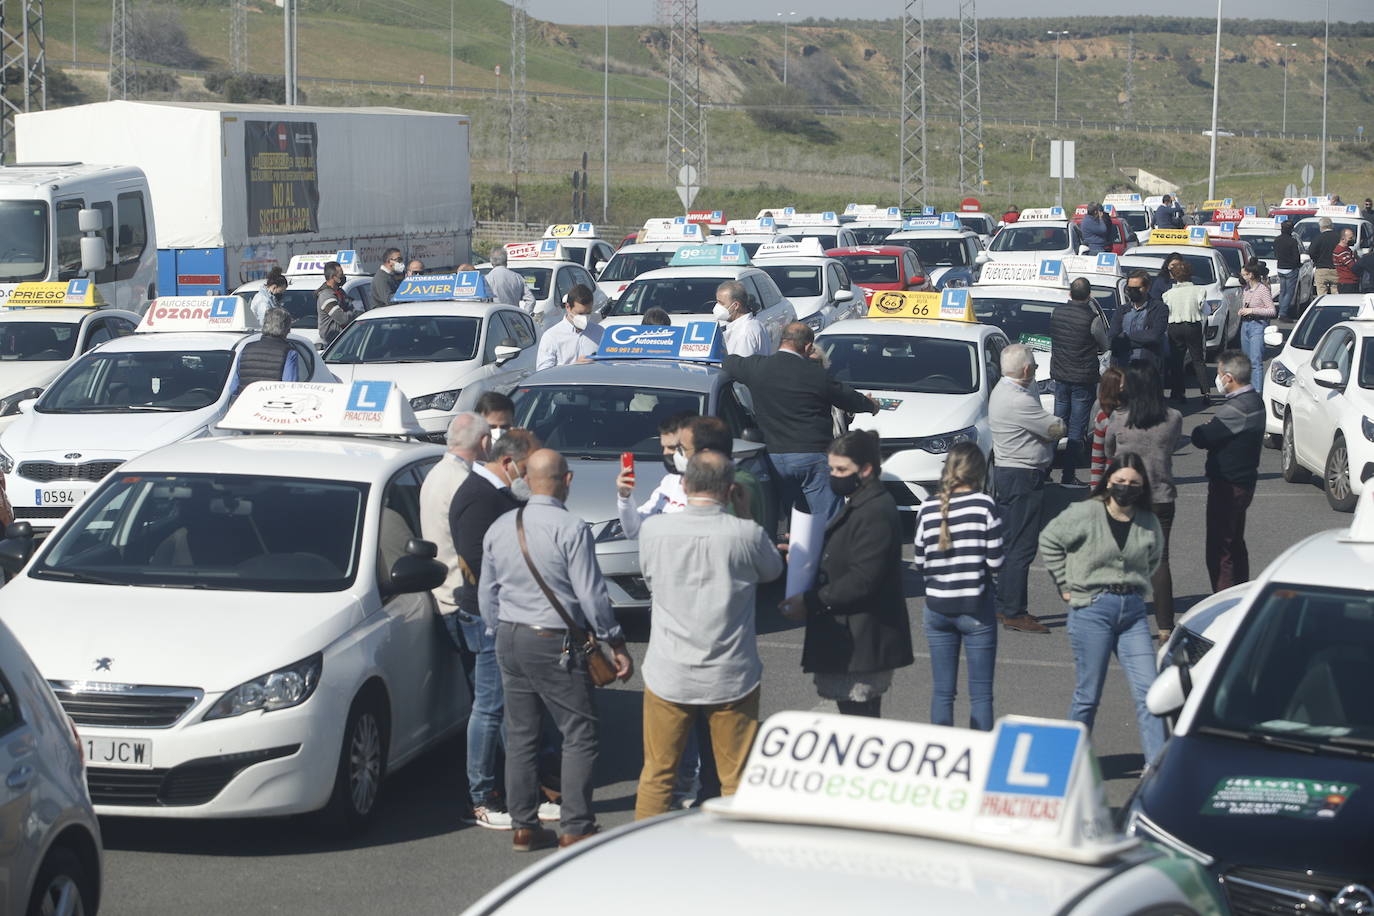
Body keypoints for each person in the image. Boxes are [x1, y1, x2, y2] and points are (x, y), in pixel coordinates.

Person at [479, 449, 634, 852]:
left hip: (510, 635)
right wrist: (613, 640)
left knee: (521, 734)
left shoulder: (500, 526)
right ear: (566, 481)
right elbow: (591, 595)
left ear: (527, 480)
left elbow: (487, 594)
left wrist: (497, 629)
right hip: (553, 640)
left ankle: (524, 824)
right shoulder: (571, 527)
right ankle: (576, 824)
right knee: (579, 732)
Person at [634, 451, 783, 819]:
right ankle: (732, 858)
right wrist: (746, 513)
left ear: (684, 485)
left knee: (658, 774)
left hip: (669, 670)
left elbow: (649, 576)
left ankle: (638, 861)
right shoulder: (745, 533)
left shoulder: (654, 530)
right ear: (731, 490)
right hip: (731, 673)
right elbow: (773, 571)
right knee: (735, 778)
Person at [1039, 451, 1165, 765]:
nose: (1125, 487)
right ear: (1109, 481)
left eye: (1133, 483)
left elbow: (1154, 558)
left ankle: (1155, 769)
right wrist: (1066, 586)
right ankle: (1068, 765)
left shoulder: (1148, 521)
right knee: (1088, 694)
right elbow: (1050, 540)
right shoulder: (1085, 513)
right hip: (1092, 608)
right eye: (1120, 481)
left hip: (1133, 611)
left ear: (1142, 486)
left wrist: (1133, 582)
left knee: (1149, 693)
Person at [780, 430, 913, 717]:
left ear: (865, 470)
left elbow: (864, 578)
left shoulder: (875, 509)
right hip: (853, 643)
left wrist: (811, 601)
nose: (834, 475)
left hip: (861, 644)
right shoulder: (861, 501)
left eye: (841, 469)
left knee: (860, 723)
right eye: (831, 469)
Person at [450, 429, 540, 830]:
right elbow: (478, 561)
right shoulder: (477, 497)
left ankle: (516, 791)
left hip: (503, 612)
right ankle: (480, 797)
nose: (530, 476)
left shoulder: (498, 495)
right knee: (488, 708)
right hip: (488, 616)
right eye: (528, 466)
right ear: (509, 463)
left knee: (504, 706)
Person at [723, 322, 876, 521]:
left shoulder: (757, 367)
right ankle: (826, 551)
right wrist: (872, 405)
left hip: (774, 457)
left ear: (782, 341)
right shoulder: (816, 374)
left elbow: (728, 363)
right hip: (812, 456)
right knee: (828, 520)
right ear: (807, 346)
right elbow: (851, 399)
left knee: (794, 519)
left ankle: (797, 550)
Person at [912, 442, 1001, 731]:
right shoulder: (985, 506)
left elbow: (920, 561)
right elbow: (996, 561)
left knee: (942, 692)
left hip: (937, 607)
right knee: (981, 694)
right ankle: (980, 759)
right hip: (975, 607)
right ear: (978, 473)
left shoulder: (927, 508)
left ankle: (941, 760)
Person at [990, 344, 1065, 634]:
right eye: (1033, 365)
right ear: (1025, 370)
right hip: (1023, 476)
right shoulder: (1019, 401)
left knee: (1010, 542)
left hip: (1009, 472)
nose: (1035, 369)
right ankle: (1014, 611)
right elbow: (1056, 427)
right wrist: (1055, 431)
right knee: (1022, 546)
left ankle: (1004, 602)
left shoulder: (1003, 391)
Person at [1105, 362, 1183, 643]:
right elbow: (1172, 445)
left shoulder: (1120, 417)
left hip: (1126, 498)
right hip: (1161, 495)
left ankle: (1120, 621)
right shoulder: (1173, 417)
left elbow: (1109, 448)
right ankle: (1165, 626)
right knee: (1160, 561)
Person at [1191, 351, 1264, 592]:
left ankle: (1224, 600)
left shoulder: (1236, 408)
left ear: (1230, 377)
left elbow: (1201, 437)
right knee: (1234, 543)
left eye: (1220, 374)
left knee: (1220, 548)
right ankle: (1240, 591)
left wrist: (1207, 427)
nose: (1218, 378)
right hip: (1243, 481)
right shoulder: (1254, 400)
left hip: (1228, 484)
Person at [420, 412, 488, 628]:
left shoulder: (436, 472)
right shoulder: (464, 483)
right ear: (484, 441)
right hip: (460, 600)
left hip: (443, 594)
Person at [1049, 276, 1108, 488]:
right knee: (1076, 429)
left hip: (1060, 376)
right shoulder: (1092, 319)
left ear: (1069, 294)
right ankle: (1068, 475)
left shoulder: (1056, 313)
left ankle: (1045, 470)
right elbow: (1104, 344)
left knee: (1056, 425)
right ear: (1089, 296)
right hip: (1083, 378)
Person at [616, 411, 694, 540]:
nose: (666, 453)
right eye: (663, 447)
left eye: (673, 447)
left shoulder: (712, 490)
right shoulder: (669, 482)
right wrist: (624, 497)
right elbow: (634, 531)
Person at [1162, 259, 1211, 404]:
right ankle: (1206, 392)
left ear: (1174, 276)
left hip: (1175, 327)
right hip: (1193, 325)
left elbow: (1167, 311)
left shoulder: (1168, 294)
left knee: (1177, 361)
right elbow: (1205, 309)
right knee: (1198, 359)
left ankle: (1179, 392)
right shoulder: (1199, 290)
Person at [232, 307, 300, 396]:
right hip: (271, 405)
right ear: (286, 328)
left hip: (246, 404)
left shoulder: (246, 349)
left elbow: (234, 387)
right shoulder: (289, 353)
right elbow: (289, 387)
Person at [1108, 269, 1167, 367]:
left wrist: (1126, 338)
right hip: (1122, 367)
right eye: (1129, 289)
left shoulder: (1159, 308)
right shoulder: (1122, 310)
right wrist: (1142, 338)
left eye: (1136, 288)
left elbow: (1154, 336)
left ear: (1147, 287)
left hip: (1147, 368)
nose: (1132, 292)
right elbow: (1112, 339)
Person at [535, 285, 602, 370]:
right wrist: (573, 367)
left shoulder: (599, 332)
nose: (585, 317)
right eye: (580, 314)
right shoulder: (551, 337)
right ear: (568, 307)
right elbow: (543, 373)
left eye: (588, 313)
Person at [1238, 260, 1276, 393]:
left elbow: (1272, 310)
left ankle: (1257, 392)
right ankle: (1248, 391)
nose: (1242, 277)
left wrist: (1252, 311)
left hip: (1257, 325)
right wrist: (1243, 310)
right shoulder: (1246, 289)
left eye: (1244, 274)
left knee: (1255, 361)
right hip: (1245, 325)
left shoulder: (1262, 290)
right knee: (1246, 361)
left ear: (1251, 275)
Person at [1088, 366, 1125, 488]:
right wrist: (1095, 490)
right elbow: (1098, 458)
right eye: (1122, 386)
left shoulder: (1134, 412)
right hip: (1113, 481)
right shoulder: (1102, 417)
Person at [714, 280, 767, 357]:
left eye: (721, 303)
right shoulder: (756, 324)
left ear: (736, 305)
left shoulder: (744, 332)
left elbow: (740, 365)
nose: (717, 306)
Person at [316, 260, 355, 345]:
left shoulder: (340, 292)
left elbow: (351, 306)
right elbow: (342, 319)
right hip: (332, 342)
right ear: (333, 277)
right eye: (341, 275)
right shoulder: (326, 296)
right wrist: (354, 314)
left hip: (343, 339)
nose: (343, 277)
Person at [486, 246, 536, 313]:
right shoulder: (517, 277)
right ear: (506, 260)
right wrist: (525, 316)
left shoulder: (487, 278)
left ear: (491, 261)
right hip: (514, 318)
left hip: (496, 319)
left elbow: (484, 302)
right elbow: (531, 300)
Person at [1274, 219, 1303, 321]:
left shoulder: (1277, 240)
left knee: (1282, 291)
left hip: (1280, 267)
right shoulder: (1292, 241)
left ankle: (1281, 312)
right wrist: (1298, 265)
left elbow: (1276, 254)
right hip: (1290, 269)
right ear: (1291, 229)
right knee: (1289, 293)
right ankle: (1283, 313)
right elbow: (1296, 257)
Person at [1309, 217, 1341, 296]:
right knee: (1336, 292)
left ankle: (1323, 307)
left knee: (1321, 294)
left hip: (1321, 269)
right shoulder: (1339, 238)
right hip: (1336, 269)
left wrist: (1317, 260)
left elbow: (1311, 252)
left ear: (1321, 227)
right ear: (1332, 226)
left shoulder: (1318, 238)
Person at [1334, 227, 1360, 293]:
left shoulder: (1348, 249)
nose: (1352, 240)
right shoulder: (1340, 251)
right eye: (1350, 238)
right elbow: (1353, 266)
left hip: (1353, 281)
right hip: (1347, 283)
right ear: (1343, 239)